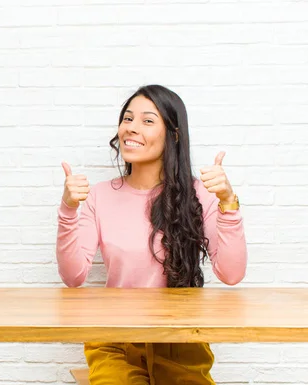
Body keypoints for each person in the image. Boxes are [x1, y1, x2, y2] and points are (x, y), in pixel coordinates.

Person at [55, 84, 248, 385]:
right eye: (128, 119)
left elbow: (232, 273)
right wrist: (68, 209)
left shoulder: (199, 194)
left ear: (173, 135)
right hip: (114, 339)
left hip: (181, 340)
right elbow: (73, 276)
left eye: (147, 121)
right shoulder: (100, 196)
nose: (131, 129)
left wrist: (227, 202)